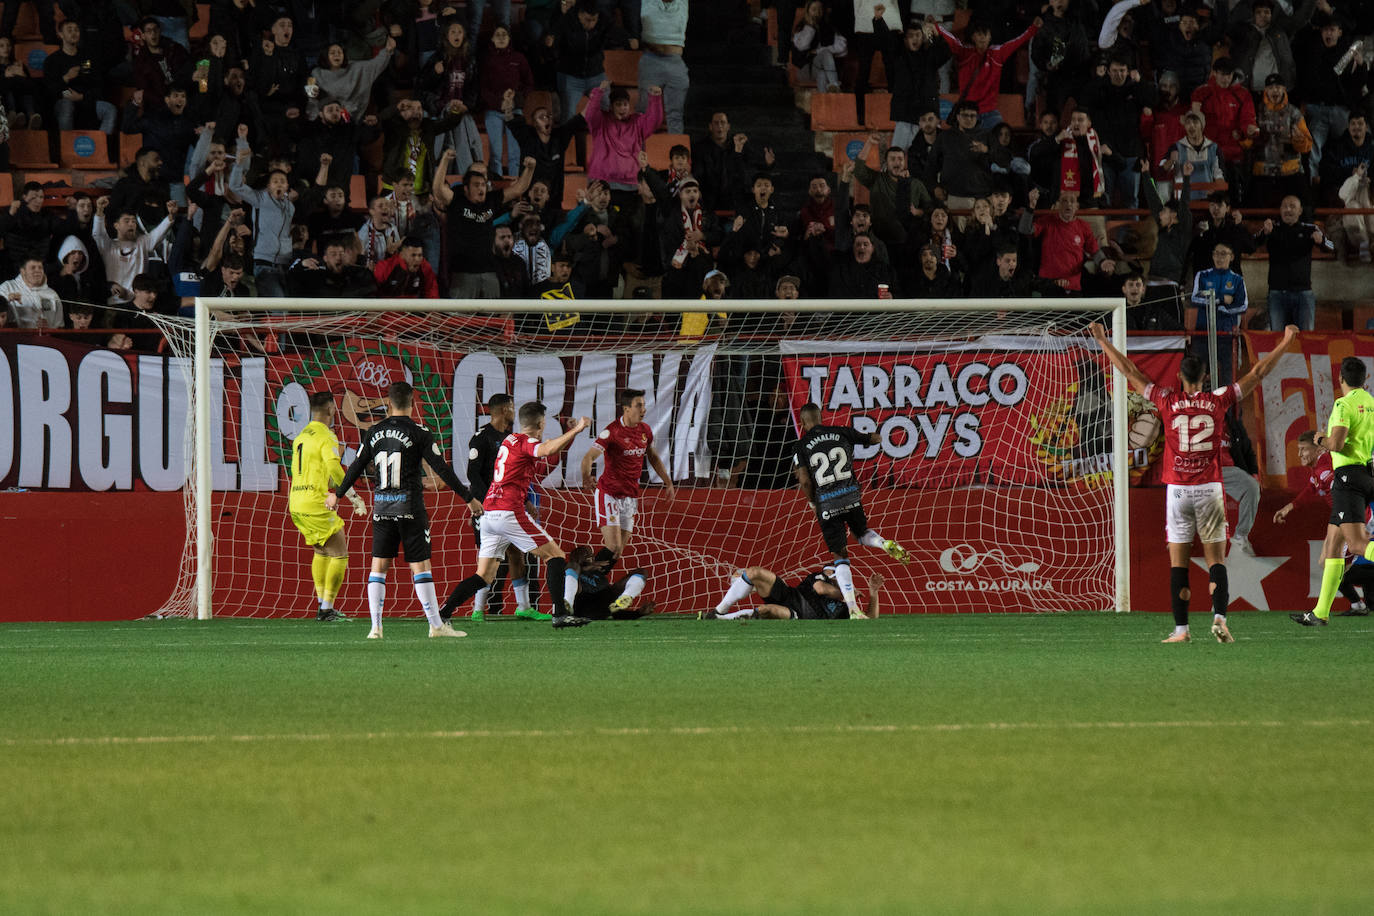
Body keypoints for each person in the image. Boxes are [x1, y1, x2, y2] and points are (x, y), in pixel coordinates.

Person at [1088, 321, 1298, 643]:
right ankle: (1220, 618)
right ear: (1205, 378)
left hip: (1178, 493)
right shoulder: (1217, 402)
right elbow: (1257, 374)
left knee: (1179, 564)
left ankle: (1182, 630)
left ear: (1179, 378)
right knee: (1216, 561)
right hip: (1210, 489)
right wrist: (1285, 341)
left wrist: (1103, 340)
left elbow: (1129, 369)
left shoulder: (1166, 400)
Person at [329, 381, 484, 639]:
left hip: (382, 507)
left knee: (379, 566)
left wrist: (338, 495)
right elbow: (442, 469)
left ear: (388, 404)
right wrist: (468, 497)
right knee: (421, 566)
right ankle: (436, 626)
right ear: (413, 403)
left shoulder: (373, 432)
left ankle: (375, 628)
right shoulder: (420, 432)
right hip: (410, 506)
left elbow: (356, 466)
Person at [439, 401, 593, 628]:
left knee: (484, 575)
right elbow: (546, 450)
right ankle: (560, 614)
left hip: (489, 514)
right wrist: (577, 430)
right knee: (556, 556)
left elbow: (546, 454)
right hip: (508, 511)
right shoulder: (525, 442)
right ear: (541, 424)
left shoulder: (508, 441)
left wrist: (562, 439)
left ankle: (444, 613)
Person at [792, 402, 908, 618]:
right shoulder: (840, 432)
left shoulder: (801, 445)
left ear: (802, 423)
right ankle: (883, 543)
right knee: (862, 533)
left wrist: (812, 503)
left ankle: (853, 608)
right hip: (851, 496)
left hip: (826, 501)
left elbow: (805, 481)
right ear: (820, 418)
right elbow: (874, 439)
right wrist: (876, 435)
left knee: (840, 556)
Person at [1292, 357, 1374, 628]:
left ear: (1340, 380)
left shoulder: (1344, 404)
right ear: (1365, 380)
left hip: (1348, 477)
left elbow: (1336, 444)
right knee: (1333, 548)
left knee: (1356, 544)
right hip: (1363, 473)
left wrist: (1319, 440)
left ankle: (1321, 613)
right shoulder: (1372, 403)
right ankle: (1320, 613)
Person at [465, 393, 549, 622]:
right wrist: (484, 503)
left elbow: (512, 478)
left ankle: (523, 606)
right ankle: (478, 609)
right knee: (488, 559)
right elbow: (472, 473)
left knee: (516, 555)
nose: (514, 411)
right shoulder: (482, 437)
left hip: (508, 507)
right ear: (504, 410)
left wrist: (526, 501)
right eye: (512, 407)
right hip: (487, 508)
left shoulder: (511, 438)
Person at [290, 392, 368, 622]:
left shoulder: (301, 436)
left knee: (321, 551)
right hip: (316, 502)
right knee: (340, 554)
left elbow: (314, 472)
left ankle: (322, 606)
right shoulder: (327, 436)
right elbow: (335, 468)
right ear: (331, 410)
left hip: (297, 502)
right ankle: (326, 609)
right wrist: (353, 496)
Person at [1274, 430, 1369, 616]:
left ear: (1318, 450)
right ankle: (1357, 605)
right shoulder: (1318, 469)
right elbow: (1311, 487)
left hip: (1353, 516)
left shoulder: (1332, 463)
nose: (1300, 454)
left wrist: (1359, 519)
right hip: (1342, 517)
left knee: (1337, 563)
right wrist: (1289, 507)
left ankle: (1339, 609)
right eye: (1298, 450)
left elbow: (1352, 486)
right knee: (1327, 563)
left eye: (1303, 449)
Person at [580, 387, 676, 564]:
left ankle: (593, 582)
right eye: (638, 406)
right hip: (609, 494)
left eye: (644, 405)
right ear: (626, 409)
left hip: (630, 496)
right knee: (612, 547)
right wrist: (586, 477)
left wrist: (668, 481)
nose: (644, 409)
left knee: (617, 554)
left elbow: (652, 456)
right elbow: (588, 457)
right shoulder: (611, 431)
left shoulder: (645, 430)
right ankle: (582, 579)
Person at [707, 564, 882, 620]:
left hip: (798, 615)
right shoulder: (819, 578)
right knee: (754, 572)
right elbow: (821, 589)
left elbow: (870, 618)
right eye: (832, 573)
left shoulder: (846, 609)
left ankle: (720, 619)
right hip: (790, 596)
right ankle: (720, 609)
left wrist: (873, 592)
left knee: (765, 610)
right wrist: (847, 595)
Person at [566, 546, 650, 619]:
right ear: (575, 558)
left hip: (601, 610)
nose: (589, 557)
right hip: (581, 608)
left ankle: (626, 597)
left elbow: (616, 614)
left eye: (590, 555)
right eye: (584, 555)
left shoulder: (598, 572)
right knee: (573, 569)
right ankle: (566, 608)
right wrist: (585, 568)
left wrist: (638, 613)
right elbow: (569, 570)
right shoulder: (570, 574)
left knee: (641, 572)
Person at [2, 257, 62, 329]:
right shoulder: (7, 288)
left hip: (44, 339)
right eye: (33, 268)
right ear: (23, 271)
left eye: (40, 267)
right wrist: (7, 300)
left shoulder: (52, 294)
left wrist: (48, 328)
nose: (38, 271)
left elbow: (60, 327)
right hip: (12, 338)